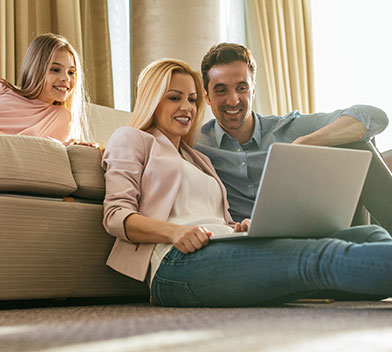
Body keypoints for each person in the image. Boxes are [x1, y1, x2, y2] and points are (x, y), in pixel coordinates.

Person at [102, 57, 392, 308]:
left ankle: (317, 280)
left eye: (191, 99)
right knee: (316, 257)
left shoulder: (196, 157)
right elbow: (116, 217)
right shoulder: (132, 138)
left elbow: (214, 216)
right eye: (174, 97)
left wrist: (236, 227)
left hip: (225, 245)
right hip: (177, 263)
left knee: (370, 236)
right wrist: (175, 233)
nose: (187, 107)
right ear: (153, 99)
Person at [195, 43, 391, 231]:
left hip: (308, 230)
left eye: (241, 88)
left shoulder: (288, 128)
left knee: (356, 145)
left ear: (253, 90)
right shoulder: (195, 144)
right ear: (207, 97)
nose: (233, 100)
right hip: (247, 240)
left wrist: (304, 143)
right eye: (221, 90)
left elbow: (374, 117)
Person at [0, 33, 89, 143]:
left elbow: (45, 151)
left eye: (71, 72)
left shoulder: (61, 117)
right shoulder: (3, 89)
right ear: (35, 69)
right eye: (55, 70)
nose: (66, 78)